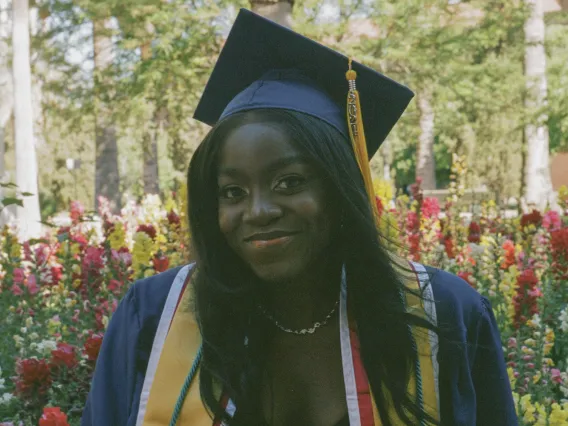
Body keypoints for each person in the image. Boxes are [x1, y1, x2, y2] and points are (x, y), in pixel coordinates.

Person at [82, 9, 517, 426]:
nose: (259, 211)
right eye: (232, 192)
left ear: (339, 187)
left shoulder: (442, 311)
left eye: (289, 182)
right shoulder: (153, 317)